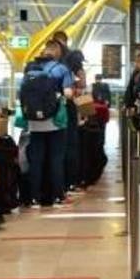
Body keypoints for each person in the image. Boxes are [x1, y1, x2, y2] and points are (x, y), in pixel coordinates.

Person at [20, 40, 75, 209]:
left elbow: (21, 91)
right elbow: (68, 94)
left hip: (34, 123)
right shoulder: (61, 69)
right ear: (57, 52)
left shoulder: (30, 68)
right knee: (56, 159)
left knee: (36, 159)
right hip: (55, 121)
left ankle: (34, 197)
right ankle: (58, 195)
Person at [50, 30, 85, 194]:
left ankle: (52, 184)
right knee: (70, 144)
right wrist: (77, 89)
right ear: (65, 40)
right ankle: (70, 182)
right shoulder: (73, 57)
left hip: (48, 107)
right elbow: (82, 81)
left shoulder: (42, 59)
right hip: (67, 106)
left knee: (52, 146)